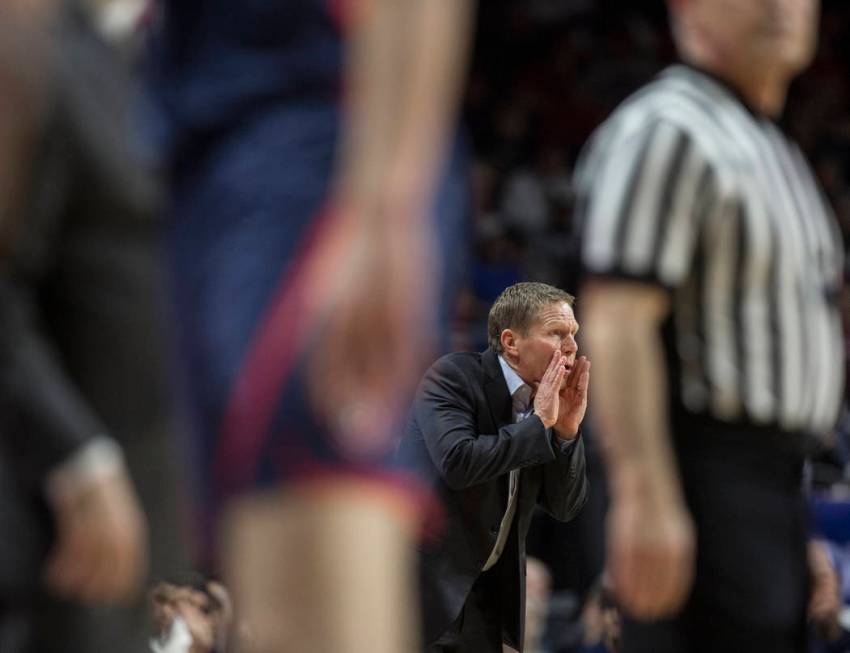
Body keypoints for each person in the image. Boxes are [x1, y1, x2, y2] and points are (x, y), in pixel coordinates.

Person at [147, 1, 474, 651]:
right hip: (207, 161)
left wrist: (387, 205)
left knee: (311, 620)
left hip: (317, 157)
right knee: (262, 612)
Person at [574, 1, 844, 651]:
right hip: (695, 476)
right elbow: (616, 321)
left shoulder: (774, 148)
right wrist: (643, 495)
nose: (781, 6)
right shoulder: (668, 128)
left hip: (766, 483)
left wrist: (790, 524)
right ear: (687, 10)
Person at [0, 1, 187, 651]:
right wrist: (75, 451)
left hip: (177, 510)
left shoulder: (203, 64)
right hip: (67, 525)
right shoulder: (33, 49)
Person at [399, 281, 590, 652]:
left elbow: (564, 507)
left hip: (491, 599)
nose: (571, 347)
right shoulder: (452, 377)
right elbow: (458, 462)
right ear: (511, 342)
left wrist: (566, 433)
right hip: (426, 591)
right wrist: (538, 425)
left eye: (573, 334)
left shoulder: (546, 406)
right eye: (557, 333)